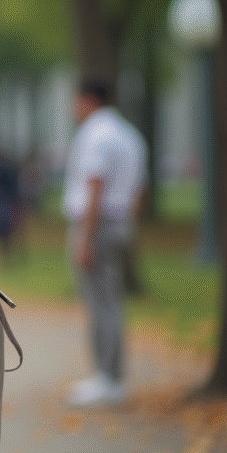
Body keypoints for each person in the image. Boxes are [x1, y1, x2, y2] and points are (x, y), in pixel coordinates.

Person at [62, 77, 147, 407]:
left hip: (96, 223)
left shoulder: (95, 134)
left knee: (101, 304)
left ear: (87, 99)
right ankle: (110, 375)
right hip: (121, 222)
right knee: (111, 301)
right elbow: (139, 190)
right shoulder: (129, 135)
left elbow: (95, 183)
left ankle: (108, 377)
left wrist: (87, 237)